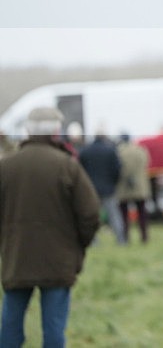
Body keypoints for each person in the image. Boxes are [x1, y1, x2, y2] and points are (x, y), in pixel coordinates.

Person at [0, 107, 100, 347]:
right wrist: (78, 244)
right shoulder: (67, 165)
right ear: (56, 130)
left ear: (27, 130)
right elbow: (90, 214)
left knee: (10, 327)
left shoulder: (6, 167)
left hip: (16, 257)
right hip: (58, 260)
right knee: (54, 329)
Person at [79, 132, 125, 244]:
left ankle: (94, 241)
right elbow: (118, 169)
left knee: (92, 216)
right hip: (108, 188)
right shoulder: (110, 150)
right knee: (114, 215)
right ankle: (121, 240)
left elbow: (80, 170)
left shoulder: (85, 151)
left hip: (91, 189)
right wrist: (113, 182)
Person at [116, 134, 151, 244]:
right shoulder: (140, 150)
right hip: (139, 186)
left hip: (123, 187)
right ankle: (144, 236)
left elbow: (116, 167)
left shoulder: (118, 152)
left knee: (123, 214)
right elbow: (147, 162)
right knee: (142, 213)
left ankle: (126, 237)